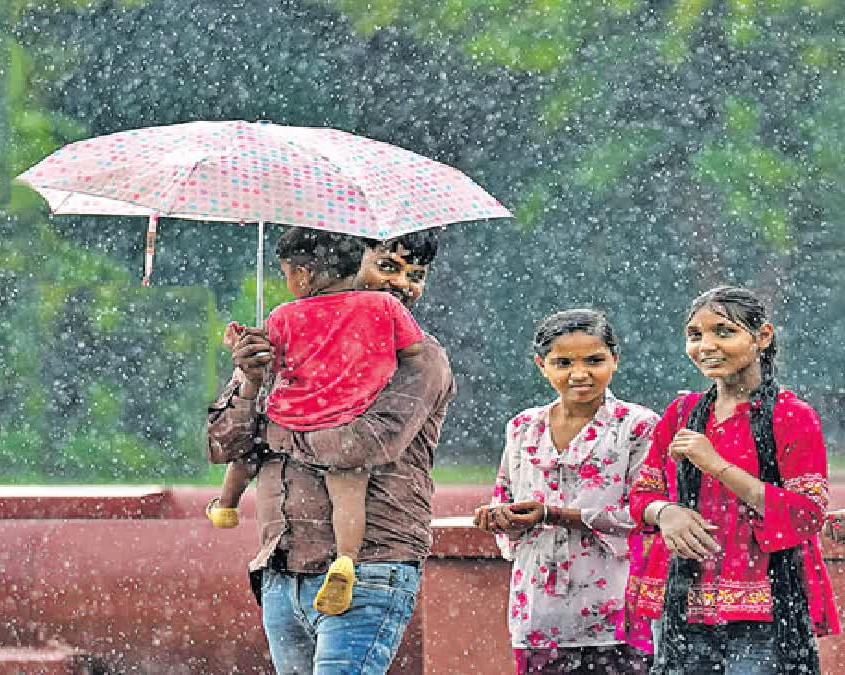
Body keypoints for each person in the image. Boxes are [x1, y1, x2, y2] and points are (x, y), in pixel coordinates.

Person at [207, 231, 455, 675]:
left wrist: (275, 433)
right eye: (389, 266)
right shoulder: (284, 341)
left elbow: (361, 445)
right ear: (347, 265)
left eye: (416, 275)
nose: (403, 285)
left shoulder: (419, 359)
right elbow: (224, 444)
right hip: (282, 566)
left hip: (367, 567)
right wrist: (250, 380)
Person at [628, 286, 839, 674]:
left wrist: (715, 463)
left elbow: (806, 514)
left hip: (766, 608)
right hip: (683, 603)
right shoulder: (681, 412)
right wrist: (667, 512)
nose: (706, 345)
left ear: (762, 336)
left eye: (723, 331)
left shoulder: (791, 416)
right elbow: (643, 494)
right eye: (695, 335)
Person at [474, 310, 658, 674]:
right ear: (542, 365)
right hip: (538, 612)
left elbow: (646, 515)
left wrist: (555, 515)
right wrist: (497, 517)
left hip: (616, 609)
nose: (579, 373)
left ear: (615, 361)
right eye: (563, 362)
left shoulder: (637, 426)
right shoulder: (522, 427)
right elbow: (505, 498)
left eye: (594, 360)